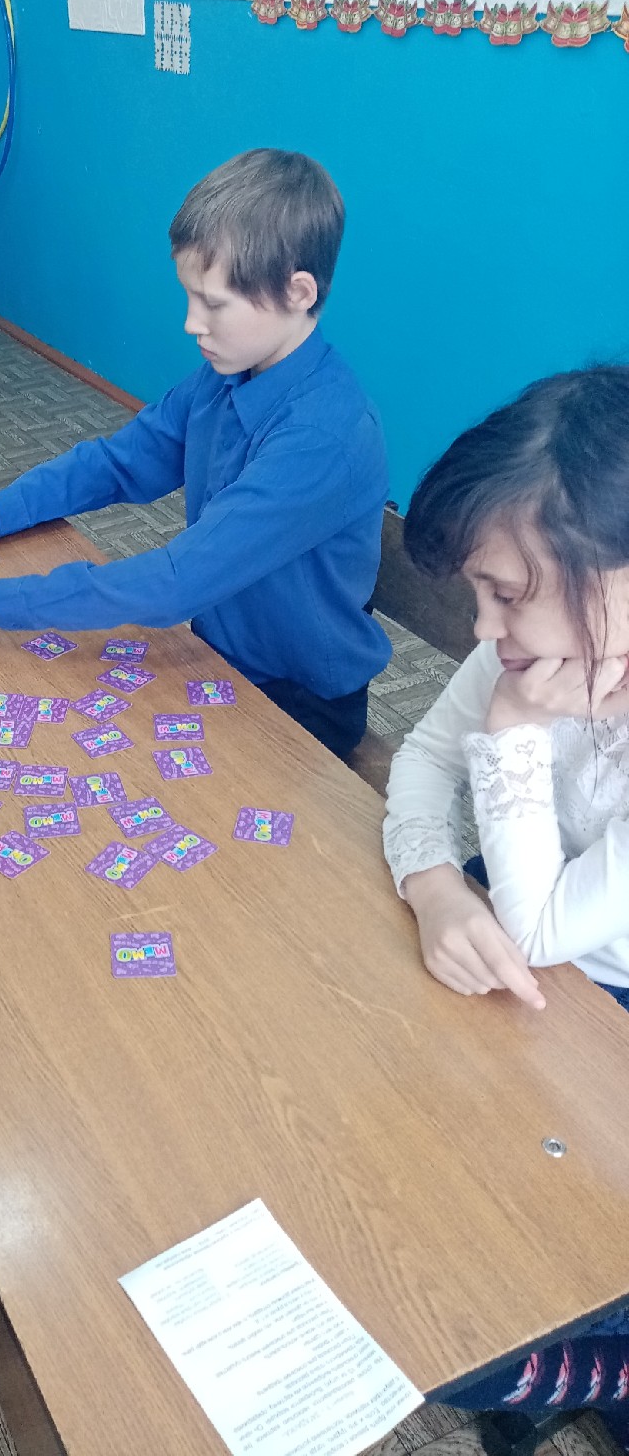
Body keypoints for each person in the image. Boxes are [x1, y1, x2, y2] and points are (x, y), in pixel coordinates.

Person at [0, 149, 391, 760]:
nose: (191, 323)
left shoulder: (323, 437)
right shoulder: (227, 376)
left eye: (214, 303)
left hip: (299, 701)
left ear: (298, 292)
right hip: (217, 654)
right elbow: (117, 463)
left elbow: (175, 581)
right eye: (188, 296)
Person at [383, 366, 629, 1443]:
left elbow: (540, 932)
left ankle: (599, 1370)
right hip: (537, 961)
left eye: (509, 592)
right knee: (418, 1189)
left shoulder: (530, 682)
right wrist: (434, 884)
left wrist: (519, 731)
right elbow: (422, 763)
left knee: (469, 1332)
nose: (484, 629)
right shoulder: (533, 644)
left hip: (596, 985)